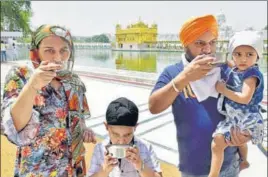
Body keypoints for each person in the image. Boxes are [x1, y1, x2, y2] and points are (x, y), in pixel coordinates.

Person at [149, 14, 251, 177]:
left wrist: (246, 134)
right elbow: (154, 107)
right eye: (200, 43)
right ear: (185, 45)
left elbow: (249, 107)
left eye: (212, 42)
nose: (208, 49)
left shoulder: (226, 71)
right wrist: (185, 77)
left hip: (229, 165)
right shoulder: (174, 73)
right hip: (192, 169)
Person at [1, 24, 96, 177]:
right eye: (49, 50)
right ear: (36, 52)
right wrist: (33, 86)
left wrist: (85, 130)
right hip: (37, 171)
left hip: (72, 170)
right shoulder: (21, 75)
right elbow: (14, 127)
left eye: (64, 50)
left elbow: (79, 119)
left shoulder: (73, 81)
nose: (58, 57)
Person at [209, 31, 264, 177]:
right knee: (239, 141)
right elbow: (230, 64)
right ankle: (244, 160)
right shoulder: (239, 68)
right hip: (236, 118)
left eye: (249, 55)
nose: (243, 59)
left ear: (258, 56)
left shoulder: (251, 75)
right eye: (238, 54)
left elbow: (245, 98)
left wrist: (223, 89)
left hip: (246, 118)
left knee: (217, 142)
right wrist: (219, 60)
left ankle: (213, 175)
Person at [87, 97, 162, 177]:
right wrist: (104, 171)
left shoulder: (145, 147)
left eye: (127, 135)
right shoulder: (99, 149)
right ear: (106, 127)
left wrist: (140, 165)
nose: (121, 141)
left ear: (135, 127)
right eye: (115, 134)